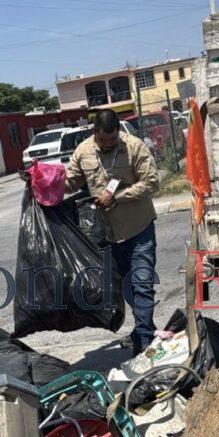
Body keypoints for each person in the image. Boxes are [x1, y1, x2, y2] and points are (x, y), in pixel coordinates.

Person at [66, 109, 160, 354]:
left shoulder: (134, 147)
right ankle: (145, 328)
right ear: (94, 133)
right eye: (102, 140)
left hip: (139, 229)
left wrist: (117, 197)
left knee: (142, 283)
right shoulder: (83, 151)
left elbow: (151, 182)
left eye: (112, 140)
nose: (108, 144)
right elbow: (70, 182)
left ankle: (144, 345)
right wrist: (41, 180)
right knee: (127, 289)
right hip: (108, 237)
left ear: (118, 131)